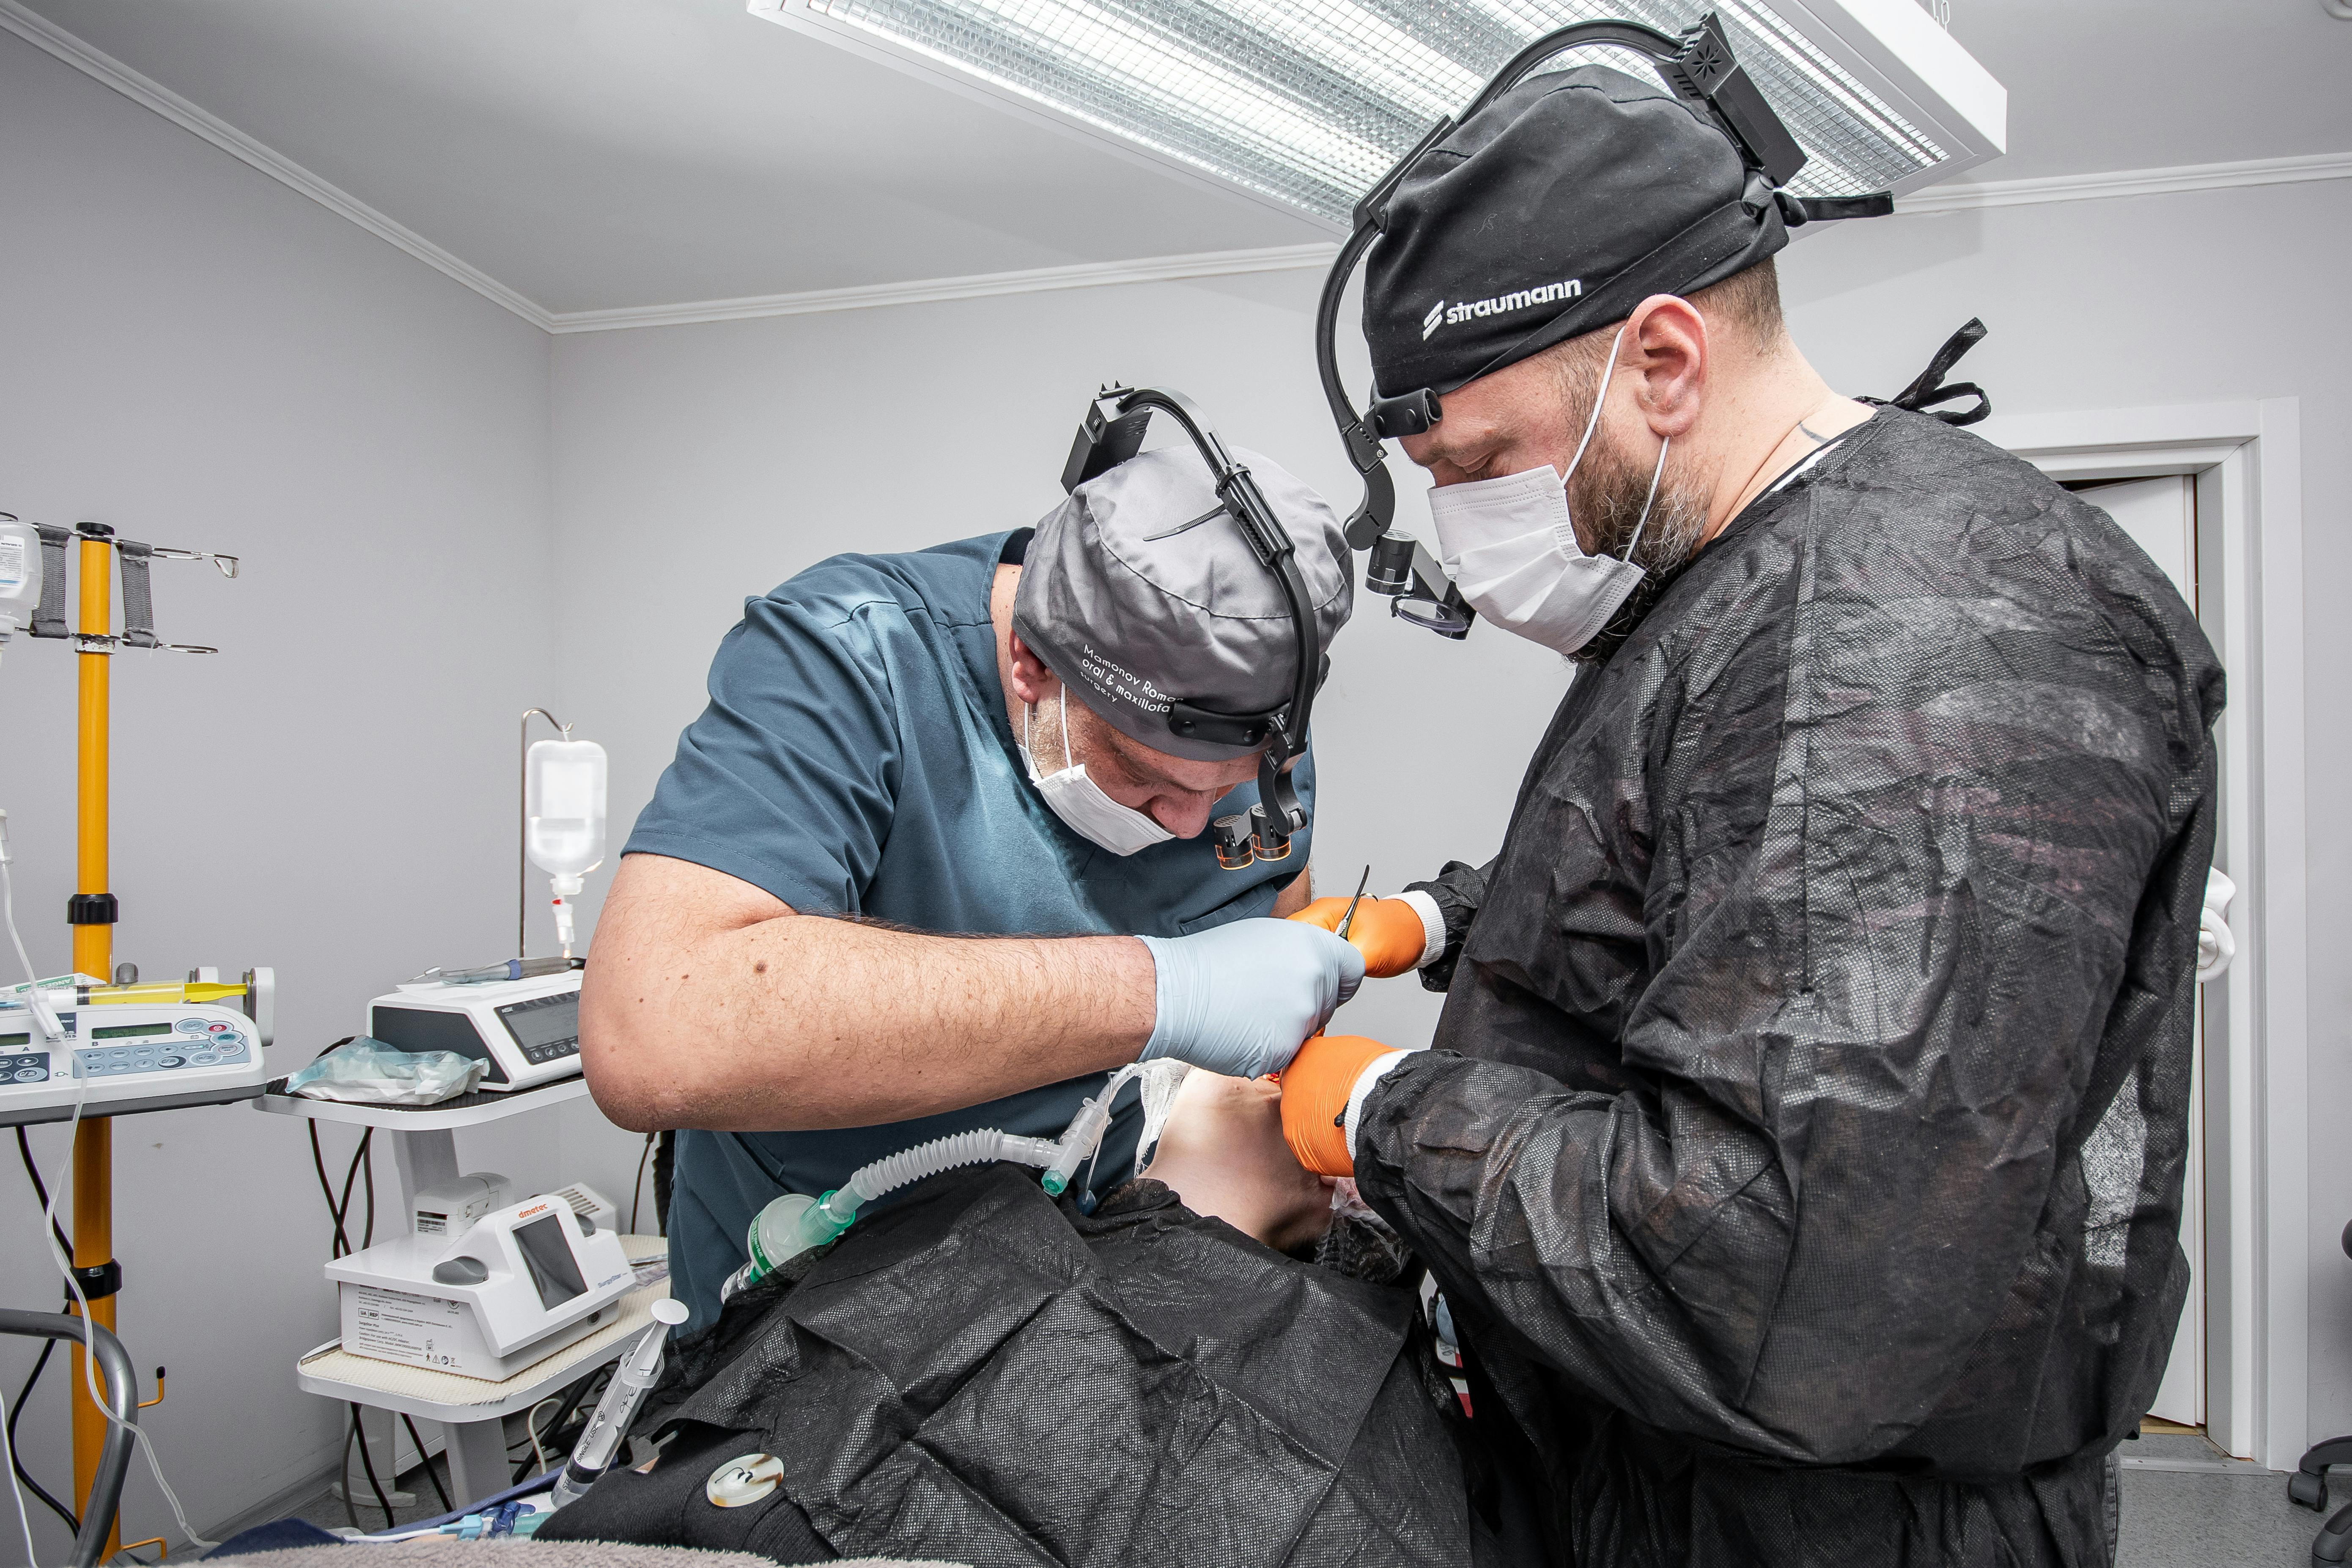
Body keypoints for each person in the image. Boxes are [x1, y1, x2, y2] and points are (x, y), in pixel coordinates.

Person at [1269, 65, 2223, 1567]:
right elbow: (1710, 885)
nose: (1462, 531)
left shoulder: (1907, 634)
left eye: (1477, 465)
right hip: (1679, 1479)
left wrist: (1391, 1114)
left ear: (1662, 361)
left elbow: (1782, 1284)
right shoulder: (1756, 586)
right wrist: (1441, 916)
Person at [579, 440, 1364, 1329]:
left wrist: (1252, 1128)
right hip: (829, 1304)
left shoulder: (1250, 723)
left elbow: (1267, 944)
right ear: (1032, 662)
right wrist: (1163, 990)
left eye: (1228, 786)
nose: (1190, 825)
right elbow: (652, 1029)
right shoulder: (850, 655)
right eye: (1151, 780)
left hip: (1106, 1294)